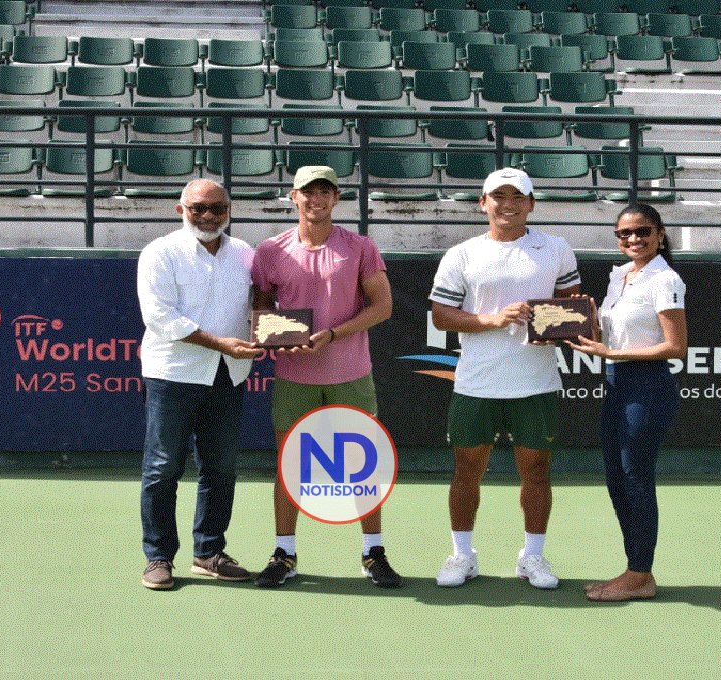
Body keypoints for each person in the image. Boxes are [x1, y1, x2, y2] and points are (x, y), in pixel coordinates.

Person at [429, 168, 581, 589]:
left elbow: (571, 308)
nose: (508, 204)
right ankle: (463, 555)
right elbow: (442, 315)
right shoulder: (461, 254)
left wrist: (559, 323)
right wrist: (495, 319)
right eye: (499, 196)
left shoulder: (556, 249)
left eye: (518, 196)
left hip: (536, 382)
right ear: (483, 203)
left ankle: (532, 557)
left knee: (536, 472)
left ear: (531, 204)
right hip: (476, 383)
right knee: (466, 471)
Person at [250, 166, 401, 589]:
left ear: (336, 199)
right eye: (307, 192)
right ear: (293, 197)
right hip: (294, 376)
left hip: (351, 373)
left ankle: (374, 552)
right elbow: (262, 315)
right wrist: (278, 339)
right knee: (290, 465)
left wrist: (334, 334)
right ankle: (285, 553)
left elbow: (382, 306)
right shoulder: (270, 251)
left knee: (362, 464)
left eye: (325, 192)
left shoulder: (360, 247)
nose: (316, 199)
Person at [135, 179, 260, 590]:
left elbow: (259, 306)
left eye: (217, 208)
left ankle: (208, 551)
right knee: (162, 467)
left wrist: (273, 334)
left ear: (229, 209)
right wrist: (221, 342)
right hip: (173, 373)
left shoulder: (244, 254)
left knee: (221, 468)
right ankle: (158, 557)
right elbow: (161, 318)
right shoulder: (160, 253)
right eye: (198, 208)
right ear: (180, 210)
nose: (208, 216)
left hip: (229, 374)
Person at [566, 203, 687, 602]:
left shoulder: (664, 279)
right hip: (618, 385)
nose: (634, 239)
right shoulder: (620, 276)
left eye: (643, 231)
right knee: (617, 480)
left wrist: (611, 354)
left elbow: (676, 347)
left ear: (660, 234)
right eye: (625, 234)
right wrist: (577, 321)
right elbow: (612, 331)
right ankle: (634, 570)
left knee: (636, 480)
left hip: (648, 388)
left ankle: (640, 574)